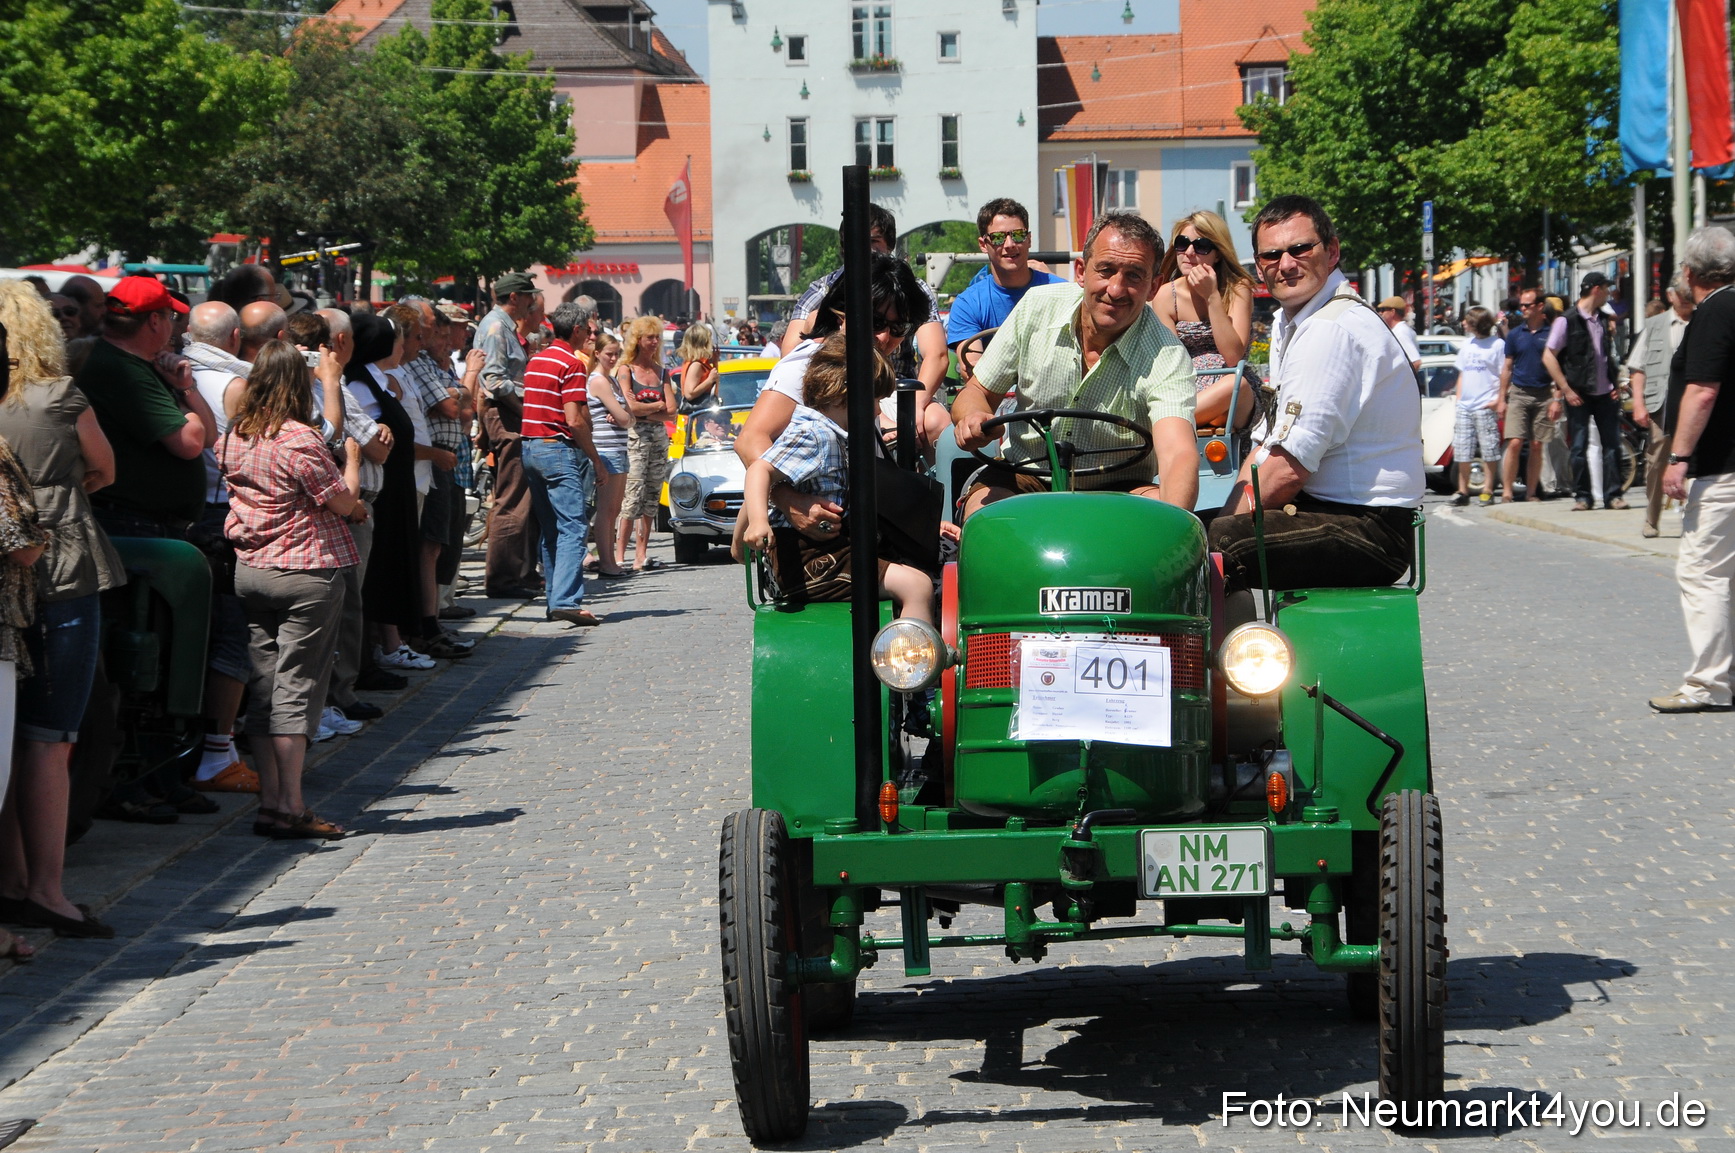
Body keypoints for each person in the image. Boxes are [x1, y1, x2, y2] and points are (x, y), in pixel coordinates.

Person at [1206, 195, 1423, 592]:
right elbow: (1264, 450)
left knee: (1212, 545)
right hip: (1331, 512)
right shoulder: (1295, 322)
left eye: (1300, 248)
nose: (1286, 264)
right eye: (1271, 255)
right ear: (1259, 266)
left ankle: (1193, 652)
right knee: (1200, 528)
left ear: (1333, 251)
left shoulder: (1331, 328)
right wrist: (1218, 516)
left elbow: (1287, 468)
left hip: (1369, 527)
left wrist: (1222, 524)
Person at [0, 288, 119, 939]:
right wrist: (60, 492)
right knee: (52, 738)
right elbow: (104, 468)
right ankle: (47, 888)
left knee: (10, 735)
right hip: (62, 564)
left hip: (8, 573)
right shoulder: (59, 398)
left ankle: (16, 881)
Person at [951, 212, 1198, 517]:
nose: (1116, 289)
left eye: (1134, 275)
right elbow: (977, 391)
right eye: (1106, 270)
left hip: (1121, 487)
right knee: (985, 521)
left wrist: (1171, 528)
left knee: (1159, 516)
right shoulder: (1035, 308)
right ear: (1081, 271)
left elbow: (1177, 453)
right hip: (1025, 476)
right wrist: (973, 416)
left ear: (1154, 285)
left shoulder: (1168, 355)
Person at [218, 341, 362, 838]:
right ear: (297, 385)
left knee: (265, 686)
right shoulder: (299, 438)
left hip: (252, 568)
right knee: (299, 688)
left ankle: (270, 803)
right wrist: (355, 466)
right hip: (305, 571)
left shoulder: (237, 433)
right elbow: (342, 502)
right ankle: (292, 806)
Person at [736, 252, 932, 537]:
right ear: (843, 313)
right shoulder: (811, 363)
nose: (885, 337)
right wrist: (791, 502)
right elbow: (749, 440)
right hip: (813, 548)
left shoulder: (867, 366)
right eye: (875, 322)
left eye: (898, 327)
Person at [742, 333, 933, 623]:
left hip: (831, 549)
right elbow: (760, 469)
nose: (878, 410)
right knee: (917, 585)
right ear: (846, 393)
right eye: (875, 399)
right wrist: (758, 521)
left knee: (915, 564)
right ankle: (915, 661)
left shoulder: (833, 434)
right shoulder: (816, 434)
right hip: (811, 559)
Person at [782, 204, 950, 445]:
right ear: (843, 247)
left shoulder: (912, 289)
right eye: (856, 241)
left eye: (873, 241)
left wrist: (914, 409)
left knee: (938, 424)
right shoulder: (822, 289)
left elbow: (937, 354)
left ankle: (934, 483)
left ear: (889, 246)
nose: (864, 249)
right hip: (836, 389)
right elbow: (791, 350)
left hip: (896, 389)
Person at [1651, 227, 1735, 712]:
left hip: (1722, 468)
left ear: (1688, 273)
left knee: (1704, 573)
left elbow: (1702, 390)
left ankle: (1708, 684)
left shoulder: (1714, 312)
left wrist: (1678, 458)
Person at [521, 302, 605, 626]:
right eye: (588, 329)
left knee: (552, 529)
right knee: (573, 526)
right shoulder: (571, 363)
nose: (589, 334)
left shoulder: (535, 360)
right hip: (557, 449)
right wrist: (595, 458)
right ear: (578, 330)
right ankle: (567, 600)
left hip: (529, 448)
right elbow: (574, 419)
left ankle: (555, 601)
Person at [1153, 209, 1261, 428]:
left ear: (1218, 254)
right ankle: (1176, 419)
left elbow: (1233, 357)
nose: (1190, 252)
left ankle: (1163, 423)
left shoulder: (1238, 288)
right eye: (1182, 244)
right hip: (1187, 388)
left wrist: (1212, 297)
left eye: (1201, 246)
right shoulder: (1166, 295)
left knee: (1235, 384)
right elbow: (1172, 364)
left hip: (1231, 388)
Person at [476, 273, 542, 598]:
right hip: (507, 413)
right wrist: (522, 409)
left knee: (520, 498)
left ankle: (518, 574)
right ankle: (502, 580)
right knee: (511, 499)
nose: (532, 302)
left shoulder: (502, 325)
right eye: (528, 296)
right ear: (514, 297)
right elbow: (494, 380)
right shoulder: (495, 327)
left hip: (510, 412)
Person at [1543, 272, 1627, 511]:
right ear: (1596, 290)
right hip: (1578, 393)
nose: (1609, 294)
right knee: (1579, 447)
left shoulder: (1602, 318)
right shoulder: (1567, 320)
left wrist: (1615, 383)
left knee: (1612, 446)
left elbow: (1605, 357)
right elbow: (1549, 356)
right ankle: (1583, 496)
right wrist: (1565, 389)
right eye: (1607, 289)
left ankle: (1613, 495)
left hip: (1605, 393)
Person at [943, 197, 1063, 354]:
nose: (1010, 244)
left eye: (1018, 235)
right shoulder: (969, 303)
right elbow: (971, 370)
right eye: (998, 238)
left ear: (1029, 239)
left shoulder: (1061, 292)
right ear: (983, 245)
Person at [1628, 276, 1695, 537]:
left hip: (1694, 403)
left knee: (1695, 461)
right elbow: (1638, 368)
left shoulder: (1703, 320)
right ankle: (1652, 519)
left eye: (1690, 293)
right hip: (1662, 404)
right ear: (1670, 296)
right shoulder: (1655, 325)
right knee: (1656, 461)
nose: (1687, 298)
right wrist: (1639, 404)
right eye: (1682, 294)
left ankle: (1692, 519)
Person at [614, 315, 676, 571]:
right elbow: (628, 407)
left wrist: (645, 410)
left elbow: (672, 410)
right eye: (649, 337)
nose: (654, 341)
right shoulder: (626, 369)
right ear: (637, 340)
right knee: (632, 496)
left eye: (657, 337)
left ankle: (641, 554)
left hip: (658, 439)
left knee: (651, 496)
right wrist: (654, 408)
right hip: (635, 438)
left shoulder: (661, 371)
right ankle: (619, 556)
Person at [1496, 286, 1563, 503]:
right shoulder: (1515, 335)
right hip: (1519, 392)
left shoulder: (1552, 333)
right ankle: (1507, 491)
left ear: (1540, 306)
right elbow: (1507, 367)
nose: (1522, 309)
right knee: (1515, 442)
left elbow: (1562, 367)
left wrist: (1557, 398)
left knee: (1537, 445)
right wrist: (1501, 398)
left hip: (1544, 393)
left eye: (1527, 305)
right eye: (1521, 305)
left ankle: (1531, 492)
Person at [585, 334, 632, 579]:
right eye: (609, 354)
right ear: (597, 353)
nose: (613, 358)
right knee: (606, 510)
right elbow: (625, 417)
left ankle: (610, 559)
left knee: (614, 509)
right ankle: (606, 562)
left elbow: (629, 416)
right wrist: (626, 415)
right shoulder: (598, 381)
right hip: (606, 450)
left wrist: (627, 416)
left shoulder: (611, 381)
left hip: (619, 448)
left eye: (616, 354)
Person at [1449, 306, 1505, 507]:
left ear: (1477, 323)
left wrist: (1499, 399)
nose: (1464, 324)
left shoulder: (1497, 345)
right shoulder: (1467, 345)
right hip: (1466, 405)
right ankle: (1462, 490)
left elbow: (1504, 374)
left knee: (1489, 449)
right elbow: (1462, 372)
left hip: (1485, 404)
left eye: (1468, 321)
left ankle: (1488, 489)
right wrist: (1459, 396)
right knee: (1463, 449)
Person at [1375, 296, 1424, 374]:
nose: (1380, 313)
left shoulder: (1400, 332)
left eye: (1383, 310)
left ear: (1392, 312)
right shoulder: (1401, 330)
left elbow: (1416, 362)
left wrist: (1402, 382)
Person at [677, 323, 720, 405]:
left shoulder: (700, 363)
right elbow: (689, 394)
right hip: (698, 413)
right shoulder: (696, 365)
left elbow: (715, 388)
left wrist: (715, 362)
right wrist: (709, 380)